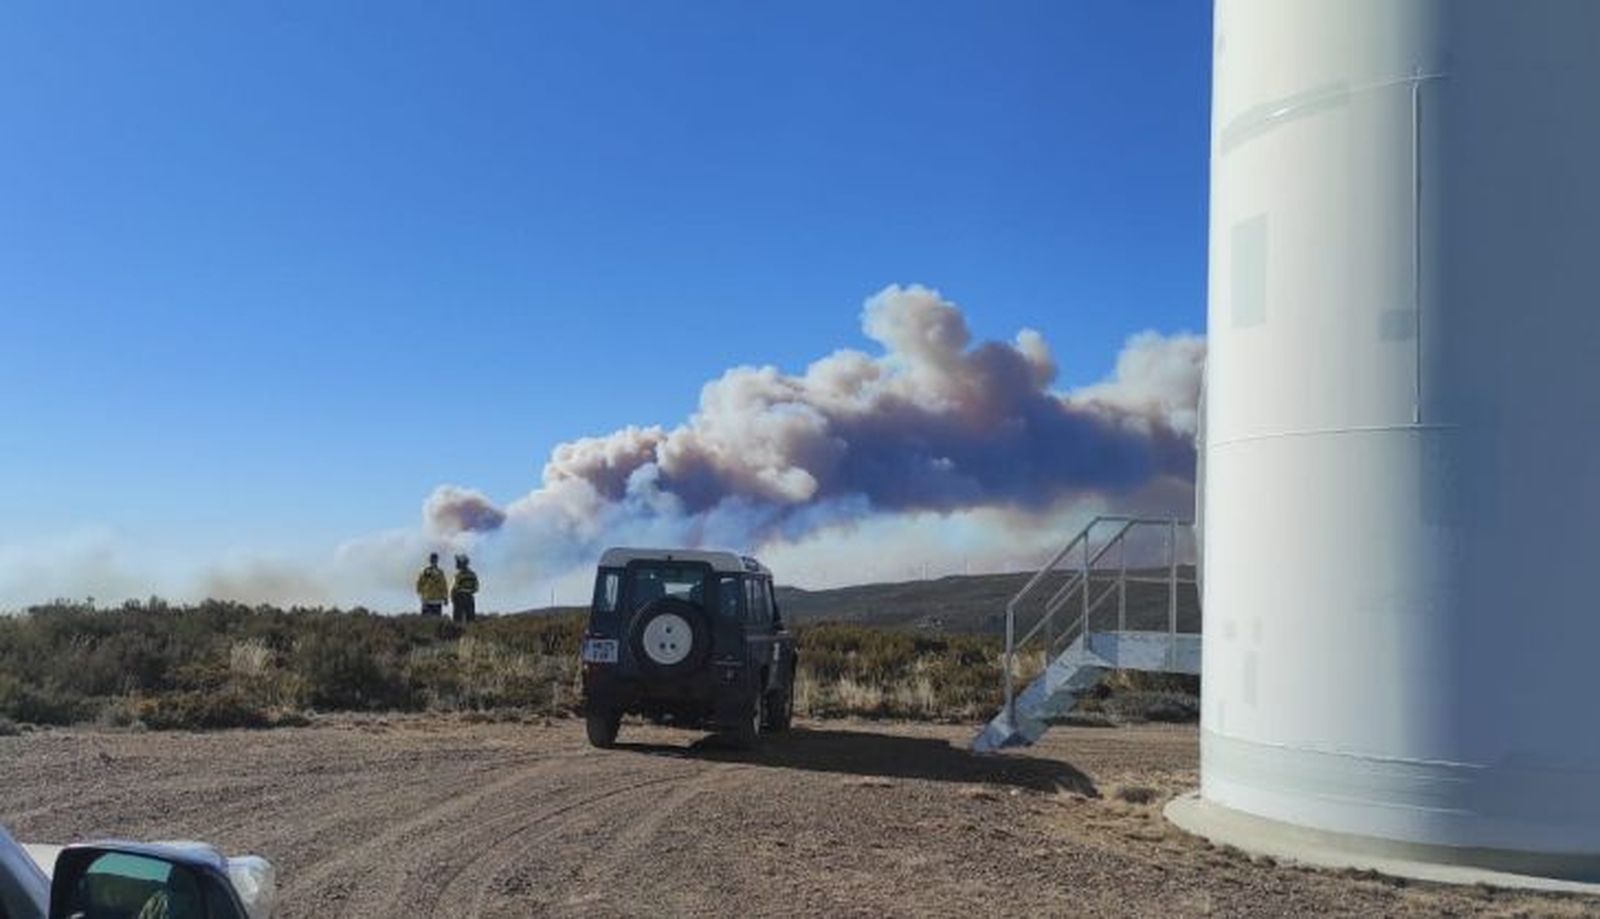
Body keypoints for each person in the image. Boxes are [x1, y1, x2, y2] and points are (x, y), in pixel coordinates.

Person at [416, 552, 448, 616]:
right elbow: (419, 583)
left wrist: (445, 597)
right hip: (427, 600)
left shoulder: (440, 572)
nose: (434, 561)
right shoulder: (424, 571)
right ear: (430, 560)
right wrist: (421, 593)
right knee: (426, 619)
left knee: (437, 620)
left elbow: (444, 585)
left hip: (437, 600)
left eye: (435, 559)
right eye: (432, 559)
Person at [451, 554, 479, 624]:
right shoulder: (472, 574)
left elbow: (455, 587)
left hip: (460, 597)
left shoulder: (459, 575)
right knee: (470, 618)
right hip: (469, 597)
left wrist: (453, 597)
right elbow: (476, 588)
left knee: (458, 619)